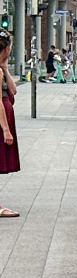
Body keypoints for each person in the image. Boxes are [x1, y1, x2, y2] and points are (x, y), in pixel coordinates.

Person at [0, 33, 20, 215]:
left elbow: (13, 90)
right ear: (6, 49)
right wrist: (6, 130)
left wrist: (5, 69)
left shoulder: (0, 70)